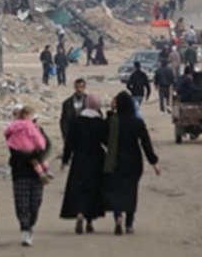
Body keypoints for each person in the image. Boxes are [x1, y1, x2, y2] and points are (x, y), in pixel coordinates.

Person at [101, 92, 160, 235]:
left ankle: (118, 216)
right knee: (131, 192)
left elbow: (103, 138)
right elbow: (146, 143)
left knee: (116, 191)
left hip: (115, 162)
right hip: (134, 161)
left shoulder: (112, 122)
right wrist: (154, 162)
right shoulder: (137, 122)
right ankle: (129, 223)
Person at [61, 92, 106, 234]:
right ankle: (89, 221)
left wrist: (65, 159)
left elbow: (70, 142)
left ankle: (79, 212)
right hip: (96, 159)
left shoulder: (76, 121)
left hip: (79, 158)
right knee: (93, 189)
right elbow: (106, 141)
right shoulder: (100, 122)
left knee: (79, 187)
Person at [6, 106, 52, 246]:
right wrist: (30, 158)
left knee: (35, 202)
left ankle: (30, 225)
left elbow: (47, 146)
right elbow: (13, 149)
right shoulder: (13, 130)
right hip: (20, 171)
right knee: (22, 203)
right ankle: (25, 229)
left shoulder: (38, 129)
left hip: (35, 174)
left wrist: (36, 157)